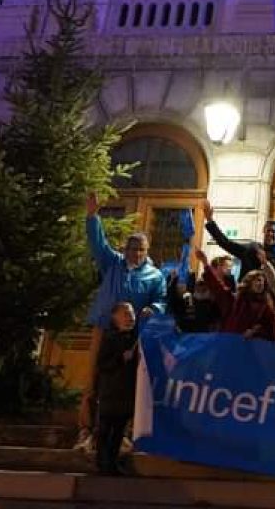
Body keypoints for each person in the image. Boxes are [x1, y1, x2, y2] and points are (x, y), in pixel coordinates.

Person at [76, 193, 166, 452]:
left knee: (127, 384)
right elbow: (97, 244)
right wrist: (92, 216)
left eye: (141, 249)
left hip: (132, 335)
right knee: (94, 376)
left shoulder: (155, 275)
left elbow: (160, 300)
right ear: (125, 249)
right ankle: (86, 429)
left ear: (147, 252)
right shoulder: (113, 264)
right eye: (132, 248)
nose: (136, 253)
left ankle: (124, 433)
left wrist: (154, 308)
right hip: (104, 327)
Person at [201, 200, 275, 286]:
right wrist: (210, 220)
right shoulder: (253, 249)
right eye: (268, 231)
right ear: (263, 232)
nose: (270, 234)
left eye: (273, 231)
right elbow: (226, 243)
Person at [95, 302, 138, 476]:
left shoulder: (134, 339)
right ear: (115, 317)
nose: (130, 318)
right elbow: (102, 364)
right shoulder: (110, 337)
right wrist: (120, 359)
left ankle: (112, 463)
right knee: (105, 430)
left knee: (119, 431)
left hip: (126, 393)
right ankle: (102, 463)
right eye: (126, 314)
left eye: (132, 314)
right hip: (110, 392)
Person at [197, 249, 275, 340]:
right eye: (257, 280)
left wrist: (255, 331)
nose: (260, 284)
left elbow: (270, 326)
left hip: (249, 348)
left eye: (263, 282)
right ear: (249, 282)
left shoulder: (265, 306)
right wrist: (205, 263)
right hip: (227, 344)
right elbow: (218, 287)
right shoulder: (235, 299)